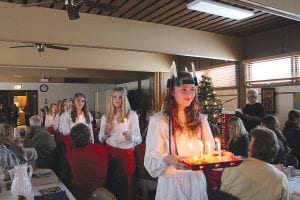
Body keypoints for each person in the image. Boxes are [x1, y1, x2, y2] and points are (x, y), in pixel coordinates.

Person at [144, 71, 215, 200]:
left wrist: (215, 157)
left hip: (196, 182)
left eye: (192, 90)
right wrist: (167, 159)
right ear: (172, 92)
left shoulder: (201, 120)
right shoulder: (160, 121)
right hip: (172, 184)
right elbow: (150, 159)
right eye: (183, 90)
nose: (189, 94)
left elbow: (210, 151)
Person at [220, 127, 289, 200]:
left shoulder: (232, 167)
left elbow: (222, 193)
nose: (248, 143)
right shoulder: (280, 178)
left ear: (253, 146)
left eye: (250, 141)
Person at [98, 87, 141, 200]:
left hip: (125, 154)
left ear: (124, 99)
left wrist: (131, 137)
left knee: (126, 185)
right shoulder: (106, 116)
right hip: (110, 153)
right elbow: (101, 139)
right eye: (114, 97)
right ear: (111, 99)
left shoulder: (132, 115)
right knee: (111, 182)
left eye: (120, 97)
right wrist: (106, 133)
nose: (117, 99)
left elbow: (139, 138)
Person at [66, 123, 108, 200]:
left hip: (78, 193)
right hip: (100, 193)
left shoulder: (71, 154)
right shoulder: (102, 150)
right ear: (89, 137)